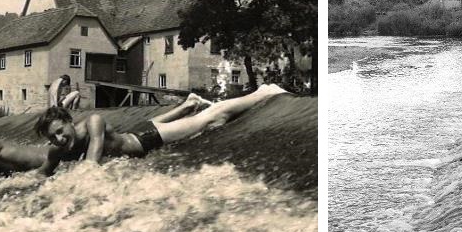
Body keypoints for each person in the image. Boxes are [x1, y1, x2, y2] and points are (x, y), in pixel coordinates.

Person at [36, 83, 289, 163]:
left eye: (60, 132)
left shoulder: (93, 122)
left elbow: (91, 164)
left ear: (69, 123)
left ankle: (264, 93)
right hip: (135, 133)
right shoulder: (64, 146)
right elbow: (43, 168)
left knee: (211, 119)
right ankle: (188, 104)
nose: (58, 139)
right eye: (52, 138)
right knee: (182, 115)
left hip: (146, 141)